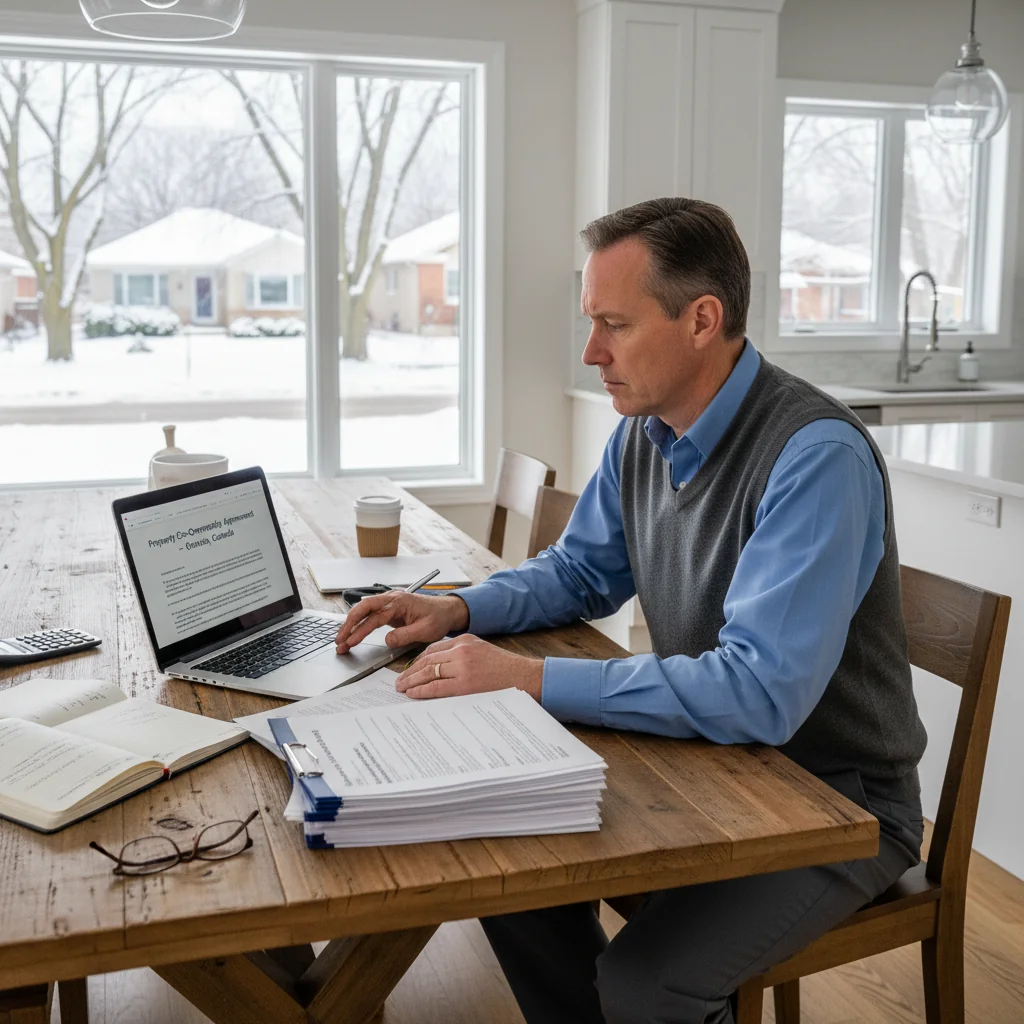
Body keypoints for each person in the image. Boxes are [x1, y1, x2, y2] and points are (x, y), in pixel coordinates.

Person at [334, 197, 927, 1024]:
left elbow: (761, 692)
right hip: (717, 767)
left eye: (614, 323)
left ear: (701, 320)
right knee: (511, 872)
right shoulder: (643, 432)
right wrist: (459, 608)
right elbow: (580, 572)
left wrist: (538, 680)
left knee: (646, 984)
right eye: (591, 322)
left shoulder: (815, 456)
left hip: (832, 802)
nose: (590, 352)